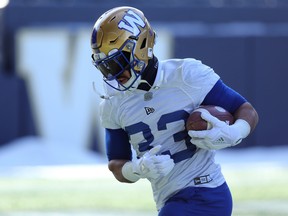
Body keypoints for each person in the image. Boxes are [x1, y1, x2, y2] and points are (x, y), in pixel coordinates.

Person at [90, 6, 259, 216]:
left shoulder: (186, 76)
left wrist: (235, 132)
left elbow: (246, 110)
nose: (113, 74)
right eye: (106, 67)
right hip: (169, 200)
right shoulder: (112, 103)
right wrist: (138, 169)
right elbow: (116, 163)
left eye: (118, 62)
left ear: (141, 47)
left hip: (207, 193)